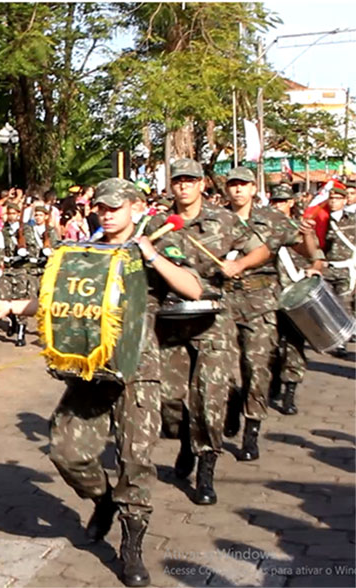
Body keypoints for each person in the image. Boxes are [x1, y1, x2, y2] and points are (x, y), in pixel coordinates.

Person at [0, 178, 204, 588]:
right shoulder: (85, 249)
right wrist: (11, 305)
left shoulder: (156, 238)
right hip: (90, 366)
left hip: (138, 367)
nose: (106, 213)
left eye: (114, 207)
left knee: (135, 461)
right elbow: (58, 297)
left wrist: (152, 256)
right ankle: (103, 500)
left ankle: (131, 546)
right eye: (100, 207)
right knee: (66, 450)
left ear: (136, 207)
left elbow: (193, 287)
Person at [156, 159, 269, 505]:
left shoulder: (223, 219)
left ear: (202, 184)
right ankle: (187, 443)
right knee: (170, 398)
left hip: (213, 318)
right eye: (178, 181)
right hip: (171, 318)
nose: (184, 186)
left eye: (191, 180)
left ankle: (206, 467)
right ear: (171, 186)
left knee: (210, 395)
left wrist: (240, 264)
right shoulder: (158, 224)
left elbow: (261, 249)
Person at [221, 167, 317, 461]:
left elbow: (304, 249)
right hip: (224, 299)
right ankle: (232, 403)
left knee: (257, 367)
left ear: (253, 189)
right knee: (223, 367)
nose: (237, 190)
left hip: (261, 300)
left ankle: (252, 429)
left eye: (243, 185)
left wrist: (309, 235)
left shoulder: (272, 218)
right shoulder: (217, 219)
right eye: (233, 185)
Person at [269, 185, 324, 415]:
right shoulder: (265, 230)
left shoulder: (299, 229)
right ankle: (272, 381)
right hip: (269, 297)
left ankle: (289, 391)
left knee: (294, 345)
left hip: (293, 295)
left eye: (282, 201)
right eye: (275, 201)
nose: (278, 205)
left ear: (291, 203)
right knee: (271, 345)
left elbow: (317, 257)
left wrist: (315, 267)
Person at [0, 202, 39, 346]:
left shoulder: (27, 230)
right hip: (8, 270)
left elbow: (34, 248)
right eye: (9, 214)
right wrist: (0, 262)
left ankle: (21, 334)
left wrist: (25, 253)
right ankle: (12, 320)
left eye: (14, 213)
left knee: (20, 300)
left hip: (22, 270)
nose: (11, 216)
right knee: (3, 298)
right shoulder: (4, 230)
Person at [321, 185, 356, 356]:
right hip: (327, 268)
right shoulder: (322, 221)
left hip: (346, 268)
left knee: (344, 304)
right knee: (327, 305)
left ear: (344, 200)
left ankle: (341, 342)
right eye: (331, 198)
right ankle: (330, 337)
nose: (333, 202)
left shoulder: (353, 220)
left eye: (337, 199)